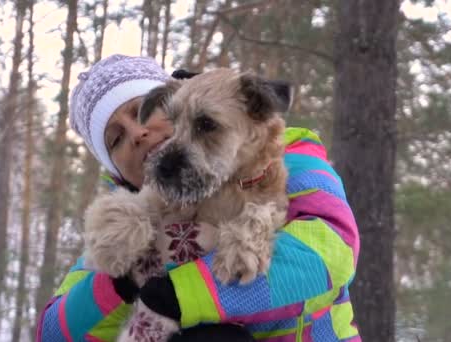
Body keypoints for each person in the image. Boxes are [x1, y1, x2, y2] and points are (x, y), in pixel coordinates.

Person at [36, 54, 361, 342]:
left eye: (142, 113)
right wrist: (123, 283)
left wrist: (181, 294)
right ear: (116, 169)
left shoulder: (293, 161)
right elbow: (52, 333)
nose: (137, 134)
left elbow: (332, 251)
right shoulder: (122, 225)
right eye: (116, 139)